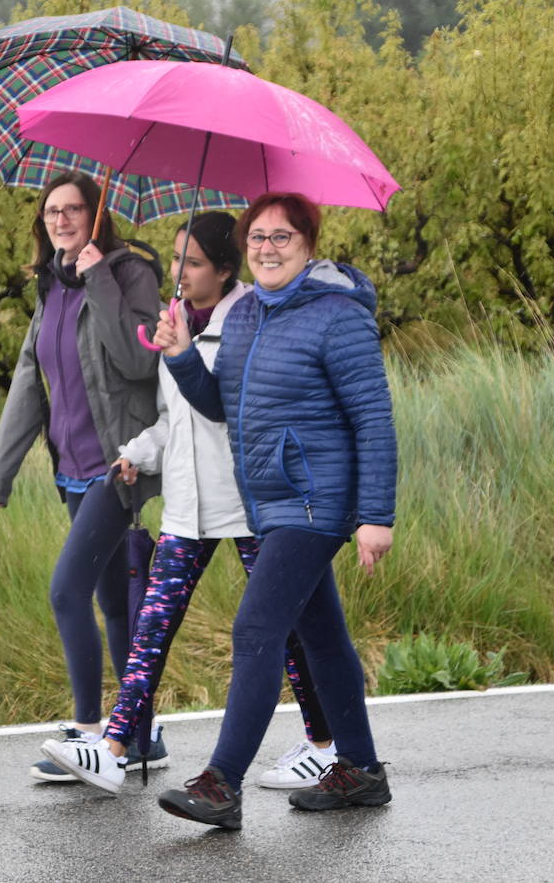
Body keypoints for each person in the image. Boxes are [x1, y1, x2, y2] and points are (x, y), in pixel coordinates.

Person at [37, 212, 338, 794]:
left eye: (193, 262)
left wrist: (187, 356)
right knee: (153, 625)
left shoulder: (253, 319)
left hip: (249, 503)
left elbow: (231, 410)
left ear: (227, 270)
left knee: (290, 630)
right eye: (176, 258)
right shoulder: (176, 321)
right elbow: (174, 419)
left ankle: (324, 745)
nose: (178, 271)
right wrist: (139, 452)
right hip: (186, 508)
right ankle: (115, 747)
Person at [151, 192, 397, 827]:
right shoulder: (243, 317)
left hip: (317, 499)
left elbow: (373, 419)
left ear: (308, 244)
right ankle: (363, 771)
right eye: (256, 237)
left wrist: (376, 516)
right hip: (271, 499)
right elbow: (221, 405)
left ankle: (221, 784)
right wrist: (180, 355)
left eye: (281, 237)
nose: (266, 248)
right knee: (320, 634)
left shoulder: (337, 316)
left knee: (256, 628)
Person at [0, 171, 163, 781]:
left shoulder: (128, 271)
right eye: (51, 212)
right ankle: (138, 733)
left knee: (66, 590)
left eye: (73, 209)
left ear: (95, 215)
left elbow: (137, 360)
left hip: (119, 464)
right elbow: (31, 380)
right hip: (71, 469)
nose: (61, 220)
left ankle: (90, 729)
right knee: (111, 600)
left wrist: (99, 276)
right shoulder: (50, 287)